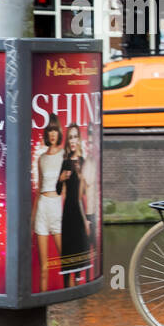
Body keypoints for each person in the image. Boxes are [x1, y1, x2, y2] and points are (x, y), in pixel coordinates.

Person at [56, 123, 92, 288]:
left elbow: (83, 193)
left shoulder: (83, 162)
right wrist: (61, 179)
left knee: (79, 246)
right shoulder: (64, 163)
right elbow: (57, 190)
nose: (72, 140)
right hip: (68, 211)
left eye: (75, 137)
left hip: (79, 211)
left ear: (79, 139)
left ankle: (78, 284)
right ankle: (65, 286)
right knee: (68, 247)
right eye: (70, 137)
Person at [33, 114, 65, 292]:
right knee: (44, 268)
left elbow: (67, 188)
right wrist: (32, 219)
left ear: (59, 132)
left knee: (66, 261)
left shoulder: (64, 155)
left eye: (55, 130)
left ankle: (73, 306)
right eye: (49, 130)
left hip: (57, 206)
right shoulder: (42, 159)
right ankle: (43, 303)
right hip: (42, 208)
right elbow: (38, 190)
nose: (52, 134)